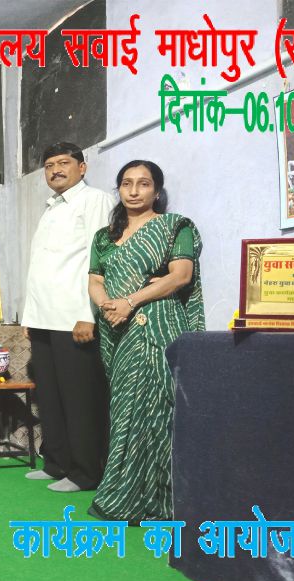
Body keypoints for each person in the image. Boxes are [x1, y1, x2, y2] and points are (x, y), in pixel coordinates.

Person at [87, 159, 205, 522]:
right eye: (127, 183)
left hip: (156, 324)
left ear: (157, 190)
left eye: (144, 183)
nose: (134, 191)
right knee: (125, 408)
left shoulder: (174, 227)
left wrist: (130, 301)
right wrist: (107, 305)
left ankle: (160, 500)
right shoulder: (104, 236)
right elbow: (95, 279)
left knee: (158, 407)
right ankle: (125, 490)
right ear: (119, 189)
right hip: (117, 326)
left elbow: (181, 276)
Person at [22, 142, 115, 493]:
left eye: (63, 163)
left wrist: (87, 315)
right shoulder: (51, 207)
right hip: (44, 316)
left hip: (74, 318)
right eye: (49, 165)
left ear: (82, 167)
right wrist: (30, 315)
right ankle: (57, 462)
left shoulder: (95, 201)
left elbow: (99, 262)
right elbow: (42, 267)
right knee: (50, 396)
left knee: (79, 399)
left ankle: (85, 472)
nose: (55, 170)